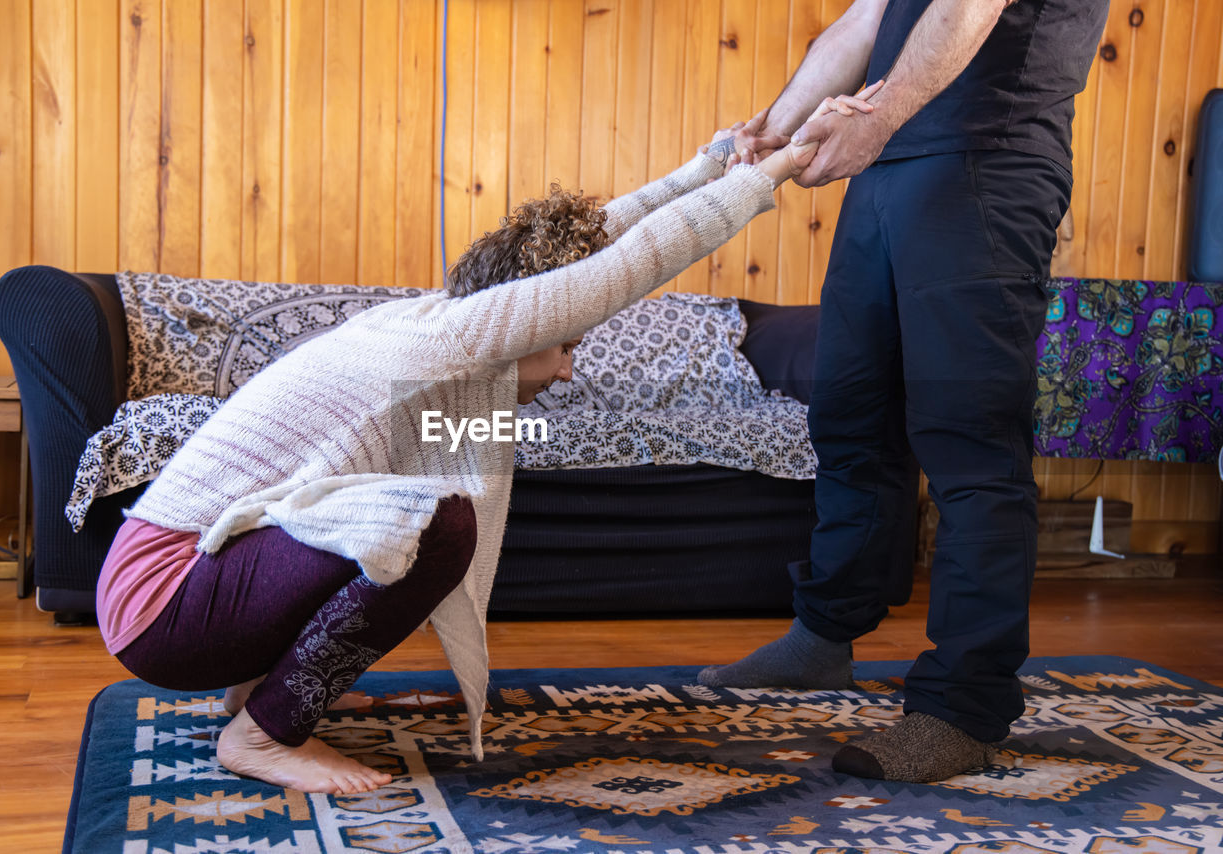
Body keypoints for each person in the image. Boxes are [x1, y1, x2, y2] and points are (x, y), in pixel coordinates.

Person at [94, 117, 855, 794]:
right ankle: (260, 733)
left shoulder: (439, 323)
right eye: (564, 343)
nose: (566, 368)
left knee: (410, 516)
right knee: (436, 526)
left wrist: (708, 165)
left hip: (171, 594)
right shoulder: (456, 338)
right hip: (164, 604)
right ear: (522, 320)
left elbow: (598, 242)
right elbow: (623, 268)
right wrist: (768, 175)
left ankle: (255, 695)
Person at [698, 0, 1109, 783]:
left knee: (971, 444)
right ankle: (823, 636)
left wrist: (877, 118)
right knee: (851, 419)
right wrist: (773, 128)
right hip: (887, 178)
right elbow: (867, 16)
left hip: (987, 166)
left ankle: (963, 707)